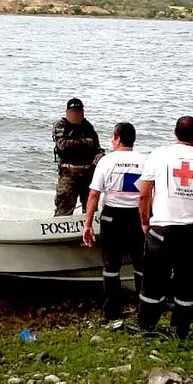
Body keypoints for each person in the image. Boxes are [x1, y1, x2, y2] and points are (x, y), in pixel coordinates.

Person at [137, 116, 193, 338]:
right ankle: (180, 329)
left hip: (162, 229)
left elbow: (144, 192)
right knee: (187, 283)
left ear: (174, 133)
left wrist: (145, 221)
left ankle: (147, 326)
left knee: (153, 282)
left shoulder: (158, 155)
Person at [83, 122, 146, 320]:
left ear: (117, 138)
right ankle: (143, 306)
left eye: (113, 137)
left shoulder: (107, 161)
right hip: (137, 216)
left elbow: (94, 194)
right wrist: (147, 219)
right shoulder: (146, 161)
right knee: (140, 264)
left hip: (113, 216)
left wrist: (87, 224)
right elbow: (150, 194)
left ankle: (112, 310)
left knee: (111, 266)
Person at [52, 98, 104, 216]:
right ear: (67, 112)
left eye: (78, 111)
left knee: (90, 207)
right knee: (64, 207)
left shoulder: (88, 126)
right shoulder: (61, 125)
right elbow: (63, 145)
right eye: (73, 111)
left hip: (87, 172)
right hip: (68, 172)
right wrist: (85, 142)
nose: (76, 114)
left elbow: (96, 147)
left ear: (82, 112)